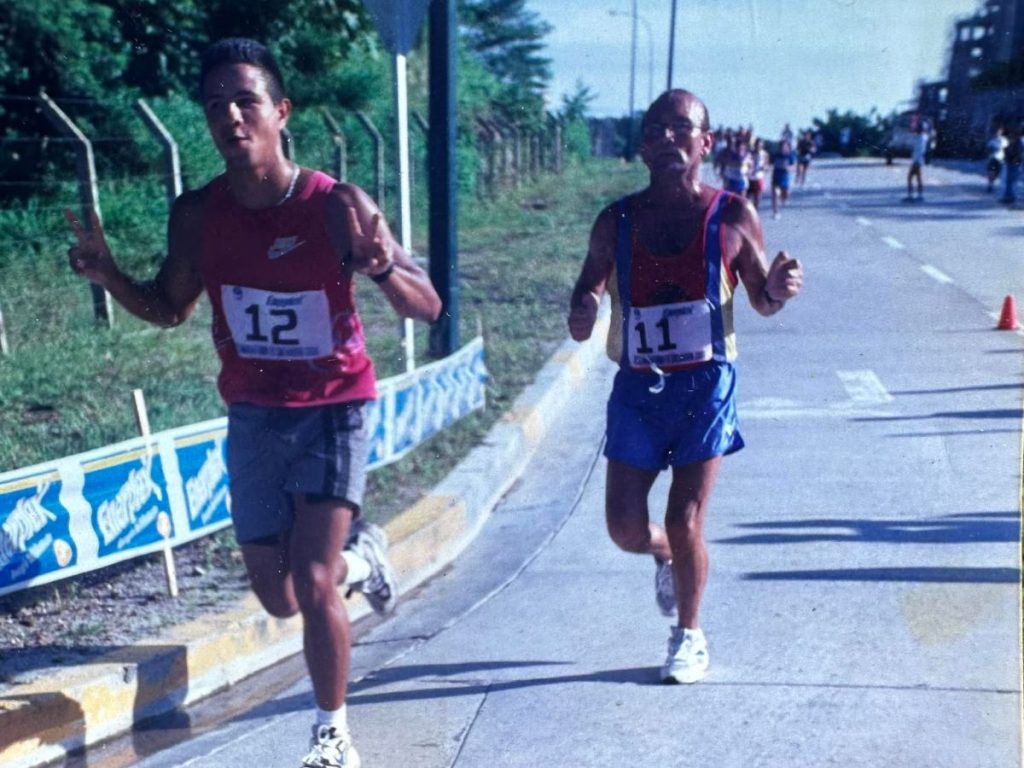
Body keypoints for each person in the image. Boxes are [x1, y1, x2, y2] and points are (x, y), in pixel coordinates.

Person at [66, 38, 442, 768]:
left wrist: (384, 264)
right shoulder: (199, 215)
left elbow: (426, 307)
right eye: (215, 106)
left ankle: (331, 731)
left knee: (311, 577)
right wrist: (110, 275)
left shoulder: (337, 206)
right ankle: (365, 557)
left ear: (280, 112)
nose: (230, 117)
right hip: (254, 414)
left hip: (334, 404)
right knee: (278, 597)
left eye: (246, 102)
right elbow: (170, 306)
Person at [566, 89, 803, 685]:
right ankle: (663, 555)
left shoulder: (731, 215)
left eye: (682, 129)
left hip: (706, 385)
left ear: (705, 142)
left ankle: (688, 636)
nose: (667, 139)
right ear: (643, 146)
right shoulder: (616, 219)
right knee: (624, 527)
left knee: (686, 516)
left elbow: (761, 301)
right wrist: (582, 307)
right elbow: (588, 284)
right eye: (655, 130)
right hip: (638, 388)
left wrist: (777, 287)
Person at [770, 139, 796, 219]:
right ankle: (776, 212)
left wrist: (789, 168)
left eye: (785, 147)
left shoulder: (790, 156)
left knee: (785, 195)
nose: (783, 148)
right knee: (775, 194)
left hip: (785, 178)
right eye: (781, 146)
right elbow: (769, 162)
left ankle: (784, 198)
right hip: (776, 177)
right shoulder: (775, 155)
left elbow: (794, 167)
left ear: (788, 147)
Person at [905, 123, 929, 202]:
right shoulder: (922, 137)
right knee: (917, 178)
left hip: (917, 160)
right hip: (918, 160)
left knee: (911, 177)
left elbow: (919, 150)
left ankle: (912, 195)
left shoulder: (920, 138)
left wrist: (916, 161)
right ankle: (919, 195)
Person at [1000, 122, 1022, 206]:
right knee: (1010, 179)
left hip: (1014, 162)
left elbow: (1018, 152)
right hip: (1011, 162)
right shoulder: (1012, 141)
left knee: (1011, 179)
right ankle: (1009, 196)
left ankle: (1010, 196)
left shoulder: (1016, 141)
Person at [746, 137, 769, 211]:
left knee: (757, 200)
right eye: (757, 145)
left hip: (759, 178)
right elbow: (746, 163)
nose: (758, 146)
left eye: (760, 145)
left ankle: (755, 215)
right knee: (747, 199)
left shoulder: (765, 154)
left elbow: (767, 166)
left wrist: (765, 168)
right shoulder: (750, 153)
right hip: (750, 178)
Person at [985, 125, 1007, 193]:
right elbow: (988, 149)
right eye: (998, 132)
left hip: (1000, 159)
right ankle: (990, 185)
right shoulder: (992, 141)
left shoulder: (1005, 141)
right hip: (993, 158)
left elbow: (1007, 150)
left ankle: (993, 183)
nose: (999, 133)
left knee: (997, 173)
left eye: (1000, 132)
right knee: (991, 172)